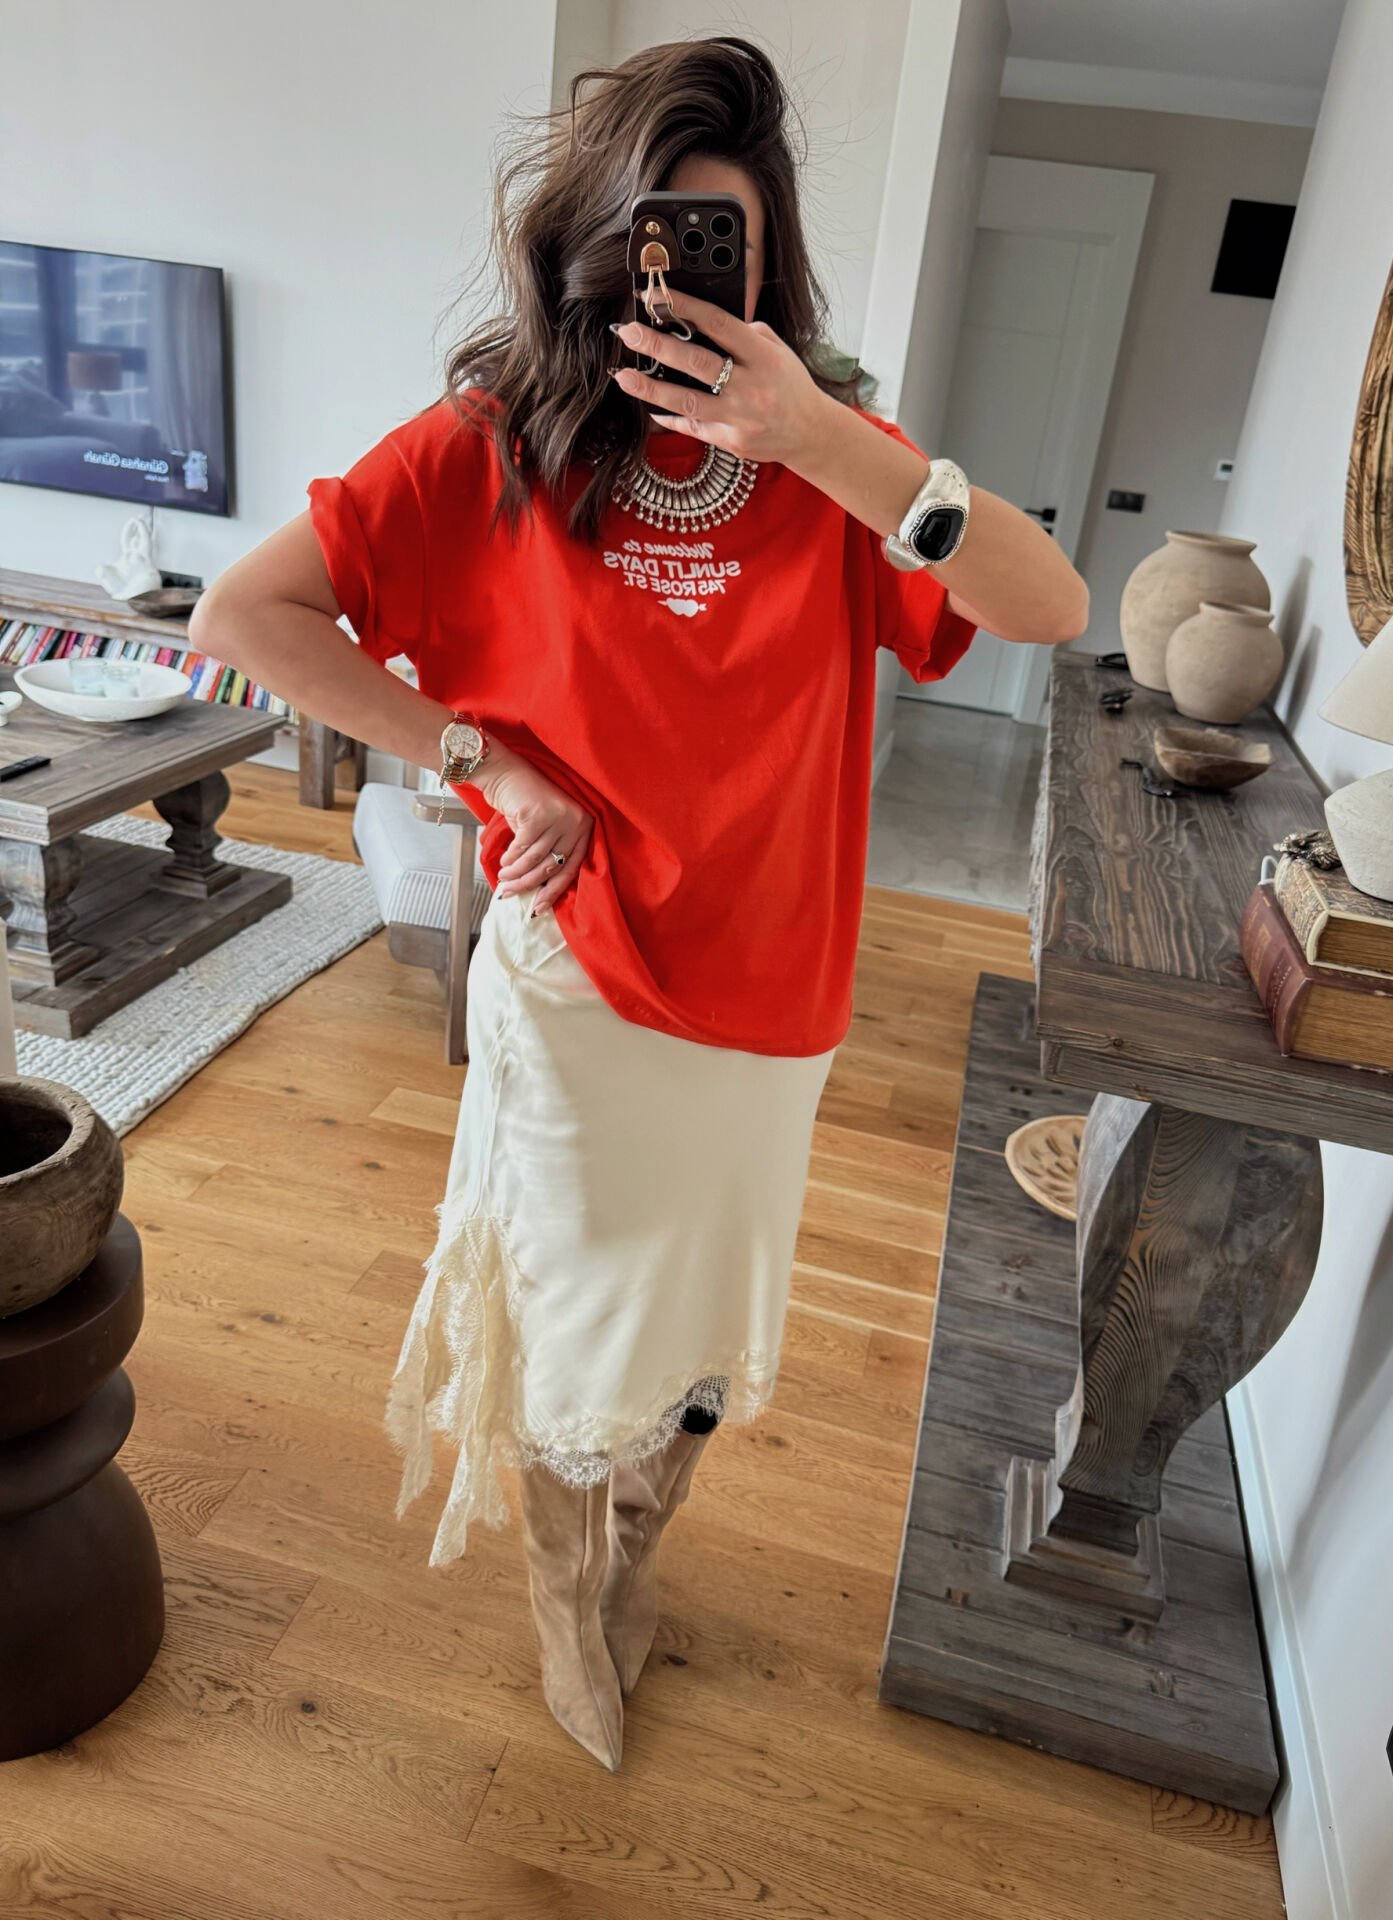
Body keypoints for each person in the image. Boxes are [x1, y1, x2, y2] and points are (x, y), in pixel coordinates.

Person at [191, 34, 1087, 1774]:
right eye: (651, 242)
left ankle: (635, 1548)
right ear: (594, 247)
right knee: (580, 1316)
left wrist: (815, 435)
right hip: (576, 980)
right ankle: (562, 1592)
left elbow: (1045, 605)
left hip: (776, 993)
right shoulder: (492, 447)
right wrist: (482, 760)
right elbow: (247, 617)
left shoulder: (844, 463)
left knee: (697, 1335)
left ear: (771, 271)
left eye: (718, 252)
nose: (677, 284)